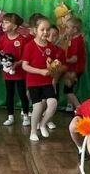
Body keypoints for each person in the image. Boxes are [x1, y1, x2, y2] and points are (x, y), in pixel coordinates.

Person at [20, 13, 63, 142]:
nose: (45, 32)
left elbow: (53, 64)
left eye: (48, 29)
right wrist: (40, 71)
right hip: (33, 82)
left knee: (53, 103)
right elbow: (24, 66)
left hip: (47, 81)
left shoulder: (51, 47)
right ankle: (33, 131)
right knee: (38, 107)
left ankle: (43, 124)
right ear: (35, 31)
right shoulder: (29, 46)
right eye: (42, 29)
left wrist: (55, 68)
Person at [0, 12, 30, 126]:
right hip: (7, 73)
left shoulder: (22, 40)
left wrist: (16, 64)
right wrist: (3, 64)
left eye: (6, 22)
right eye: (3, 22)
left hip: (20, 73)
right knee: (9, 94)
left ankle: (25, 115)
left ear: (15, 26)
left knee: (22, 94)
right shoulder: (2, 39)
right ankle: (10, 116)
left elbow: (26, 57)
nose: (3, 24)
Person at [62, 16, 87, 113]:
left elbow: (74, 59)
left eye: (68, 28)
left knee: (67, 90)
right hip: (73, 69)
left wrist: (64, 60)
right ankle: (69, 106)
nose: (66, 29)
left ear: (75, 29)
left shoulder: (77, 41)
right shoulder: (74, 39)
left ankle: (79, 108)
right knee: (69, 87)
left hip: (75, 69)